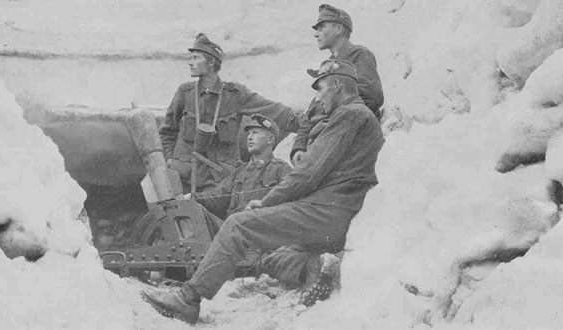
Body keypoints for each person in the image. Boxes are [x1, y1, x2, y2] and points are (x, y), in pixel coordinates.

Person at [141, 59, 385, 324]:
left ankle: (187, 300)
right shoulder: (355, 116)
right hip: (332, 210)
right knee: (274, 257)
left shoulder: (349, 115)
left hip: (328, 211)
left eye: (320, 88)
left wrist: (267, 202)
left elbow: (308, 174)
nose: (318, 97)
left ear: (337, 85)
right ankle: (315, 267)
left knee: (237, 225)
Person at [160, 33, 299, 193]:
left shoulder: (234, 94)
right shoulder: (185, 92)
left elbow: (274, 111)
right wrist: (170, 159)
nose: (190, 63)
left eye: (196, 58)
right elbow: (167, 132)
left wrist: (307, 121)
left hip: (220, 181)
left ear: (211, 62)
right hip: (184, 176)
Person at [291, 3, 384, 166]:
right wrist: (299, 147)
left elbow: (371, 98)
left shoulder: (360, 54)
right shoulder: (327, 67)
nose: (316, 34)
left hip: (345, 143)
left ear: (339, 29)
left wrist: (330, 127)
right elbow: (312, 111)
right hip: (322, 144)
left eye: (321, 27)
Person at [189, 114, 292, 235]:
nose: (249, 137)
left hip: (260, 234)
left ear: (270, 139)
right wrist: (191, 197)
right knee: (192, 210)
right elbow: (217, 198)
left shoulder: (281, 170)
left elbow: (288, 208)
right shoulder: (241, 170)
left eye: (255, 133)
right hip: (231, 230)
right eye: (249, 133)